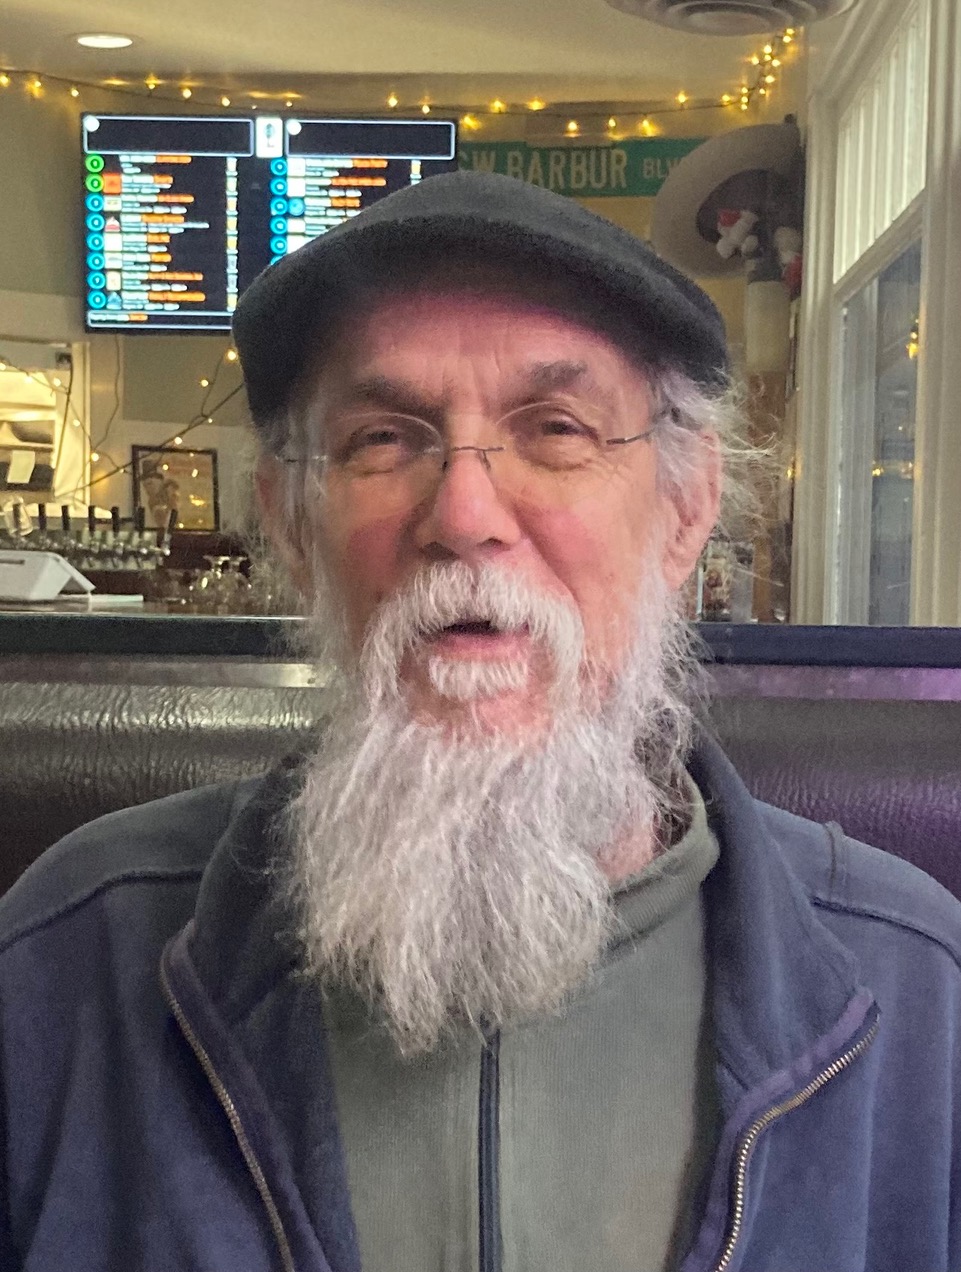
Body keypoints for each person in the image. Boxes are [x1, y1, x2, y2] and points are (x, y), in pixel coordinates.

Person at [1, 171, 959, 1272]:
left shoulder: (919, 1001)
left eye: (555, 429)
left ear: (687, 508)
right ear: (291, 523)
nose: (462, 515)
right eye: (381, 440)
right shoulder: (62, 967)